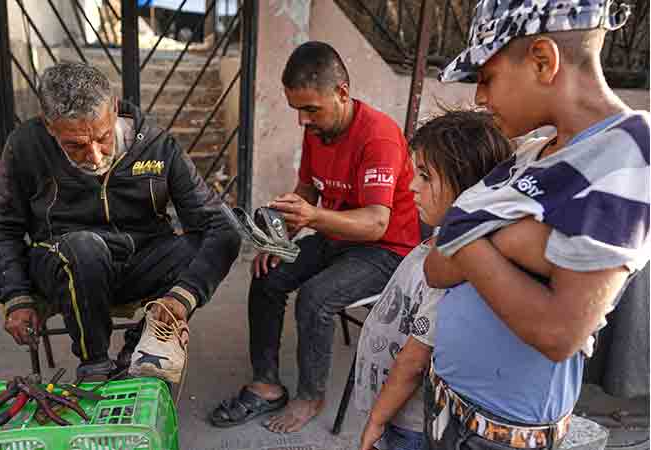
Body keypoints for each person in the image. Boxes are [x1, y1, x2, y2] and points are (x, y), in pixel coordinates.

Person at [422, 1, 651, 449]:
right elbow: (434, 265)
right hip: (446, 402)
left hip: (502, 435)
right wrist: (514, 240)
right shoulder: (534, 150)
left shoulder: (630, 153)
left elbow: (557, 333)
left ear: (543, 61)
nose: (479, 98)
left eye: (486, 78)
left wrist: (472, 232)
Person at [211, 41, 421, 432]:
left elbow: (376, 222)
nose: (302, 121)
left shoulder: (379, 138)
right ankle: (267, 384)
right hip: (336, 234)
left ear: (342, 92)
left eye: (311, 109)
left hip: (386, 250)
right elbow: (308, 189)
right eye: (297, 110)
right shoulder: (318, 132)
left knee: (316, 297)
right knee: (266, 275)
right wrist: (282, 236)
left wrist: (313, 216)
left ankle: (311, 396)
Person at [0, 62, 241, 381]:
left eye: (103, 137)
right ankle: (95, 364)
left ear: (115, 108)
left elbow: (216, 224)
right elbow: (4, 227)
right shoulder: (25, 146)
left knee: (221, 232)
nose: (94, 156)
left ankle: (138, 346)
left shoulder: (158, 145)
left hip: (138, 261)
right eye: (75, 145)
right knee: (84, 248)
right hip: (65, 263)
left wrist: (181, 297)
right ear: (49, 126)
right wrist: (15, 296)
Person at [355, 110, 513, 450]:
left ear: (467, 188)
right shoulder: (442, 241)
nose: (412, 185)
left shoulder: (456, 272)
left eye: (425, 176)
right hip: (394, 408)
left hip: (408, 422)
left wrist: (377, 420)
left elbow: (414, 363)